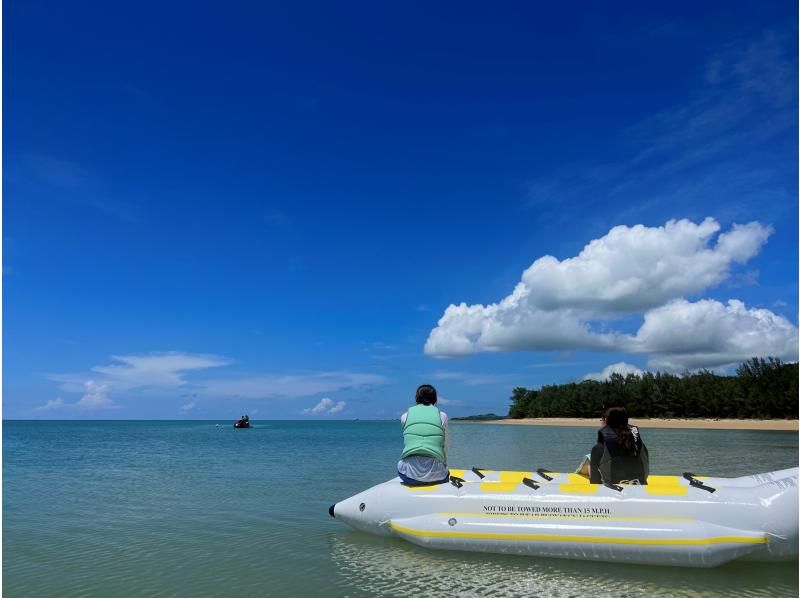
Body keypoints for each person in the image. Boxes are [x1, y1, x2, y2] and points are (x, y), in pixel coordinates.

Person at [397, 384, 450, 486]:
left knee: (401, 464)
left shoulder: (405, 416)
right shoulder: (442, 416)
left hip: (409, 475)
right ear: (435, 399)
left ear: (416, 398)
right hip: (437, 474)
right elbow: (445, 446)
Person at [589, 406, 649, 485]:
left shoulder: (599, 448)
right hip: (640, 486)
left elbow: (595, 481)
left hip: (611, 490)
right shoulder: (639, 443)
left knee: (588, 462)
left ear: (606, 421)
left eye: (602, 419)